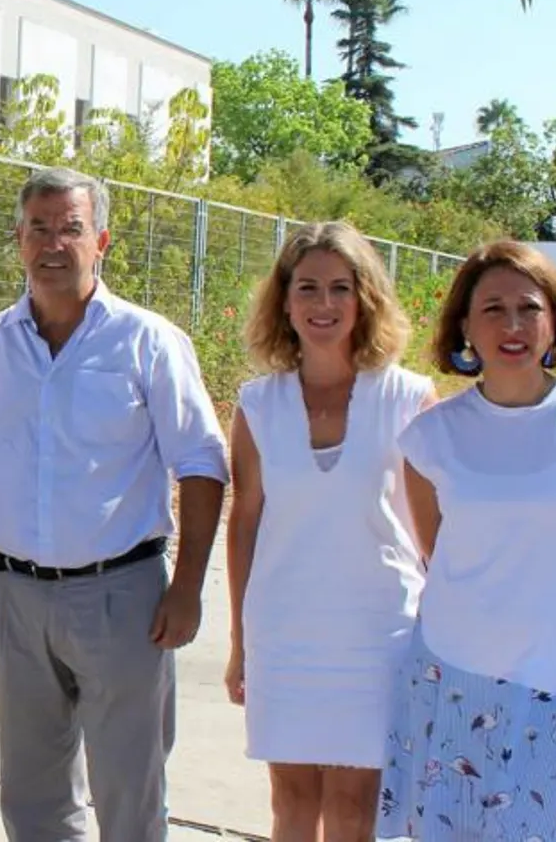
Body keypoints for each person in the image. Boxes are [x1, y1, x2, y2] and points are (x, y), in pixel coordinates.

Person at [0, 166, 230, 842]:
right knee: (33, 795)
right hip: (18, 595)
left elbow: (201, 461)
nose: (53, 243)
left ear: (100, 239)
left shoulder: (146, 340)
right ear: (18, 238)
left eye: (70, 228)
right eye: (38, 227)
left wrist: (187, 586)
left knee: (129, 793)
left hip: (122, 597)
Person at [377, 240, 556, 841]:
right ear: (465, 329)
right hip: (454, 676)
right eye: (492, 309)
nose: (513, 325)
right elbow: (438, 553)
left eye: (529, 308)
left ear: (555, 320)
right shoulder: (428, 439)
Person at [223, 222, 436, 842]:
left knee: (352, 807)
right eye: (307, 288)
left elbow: (434, 536)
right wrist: (240, 642)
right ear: (284, 301)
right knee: (290, 800)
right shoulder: (257, 405)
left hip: (379, 634)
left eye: (340, 288)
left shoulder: (407, 397)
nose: (323, 305)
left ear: (364, 299)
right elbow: (245, 525)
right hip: (286, 633)